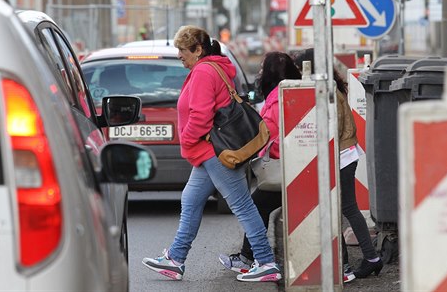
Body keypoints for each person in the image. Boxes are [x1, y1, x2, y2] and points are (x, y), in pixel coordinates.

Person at [142, 25, 282, 283]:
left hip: (214, 152)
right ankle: (175, 258)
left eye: (183, 50)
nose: (179, 55)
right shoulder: (210, 68)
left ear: (198, 49)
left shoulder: (204, 72)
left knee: (241, 205)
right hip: (209, 152)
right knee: (191, 199)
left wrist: (184, 138)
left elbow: (201, 115)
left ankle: (266, 262)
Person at [294, 48, 383, 280]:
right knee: (343, 208)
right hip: (346, 153)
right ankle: (365, 258)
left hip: (341, 155)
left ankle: (357, 260)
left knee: (343, 208)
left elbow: (332, 128)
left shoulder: (328, 91)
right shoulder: (332, 85)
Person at [218, 51, 301, 275]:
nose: (260, 72)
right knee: (259, 206)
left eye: (263, 68)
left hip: (286, 166)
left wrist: (244, 151)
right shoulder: (293, 93)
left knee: (256, 206)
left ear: (271, 74)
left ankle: (249, 258)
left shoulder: (276, 101)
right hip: (297, 165)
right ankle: (250, 256)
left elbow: (268, 135)